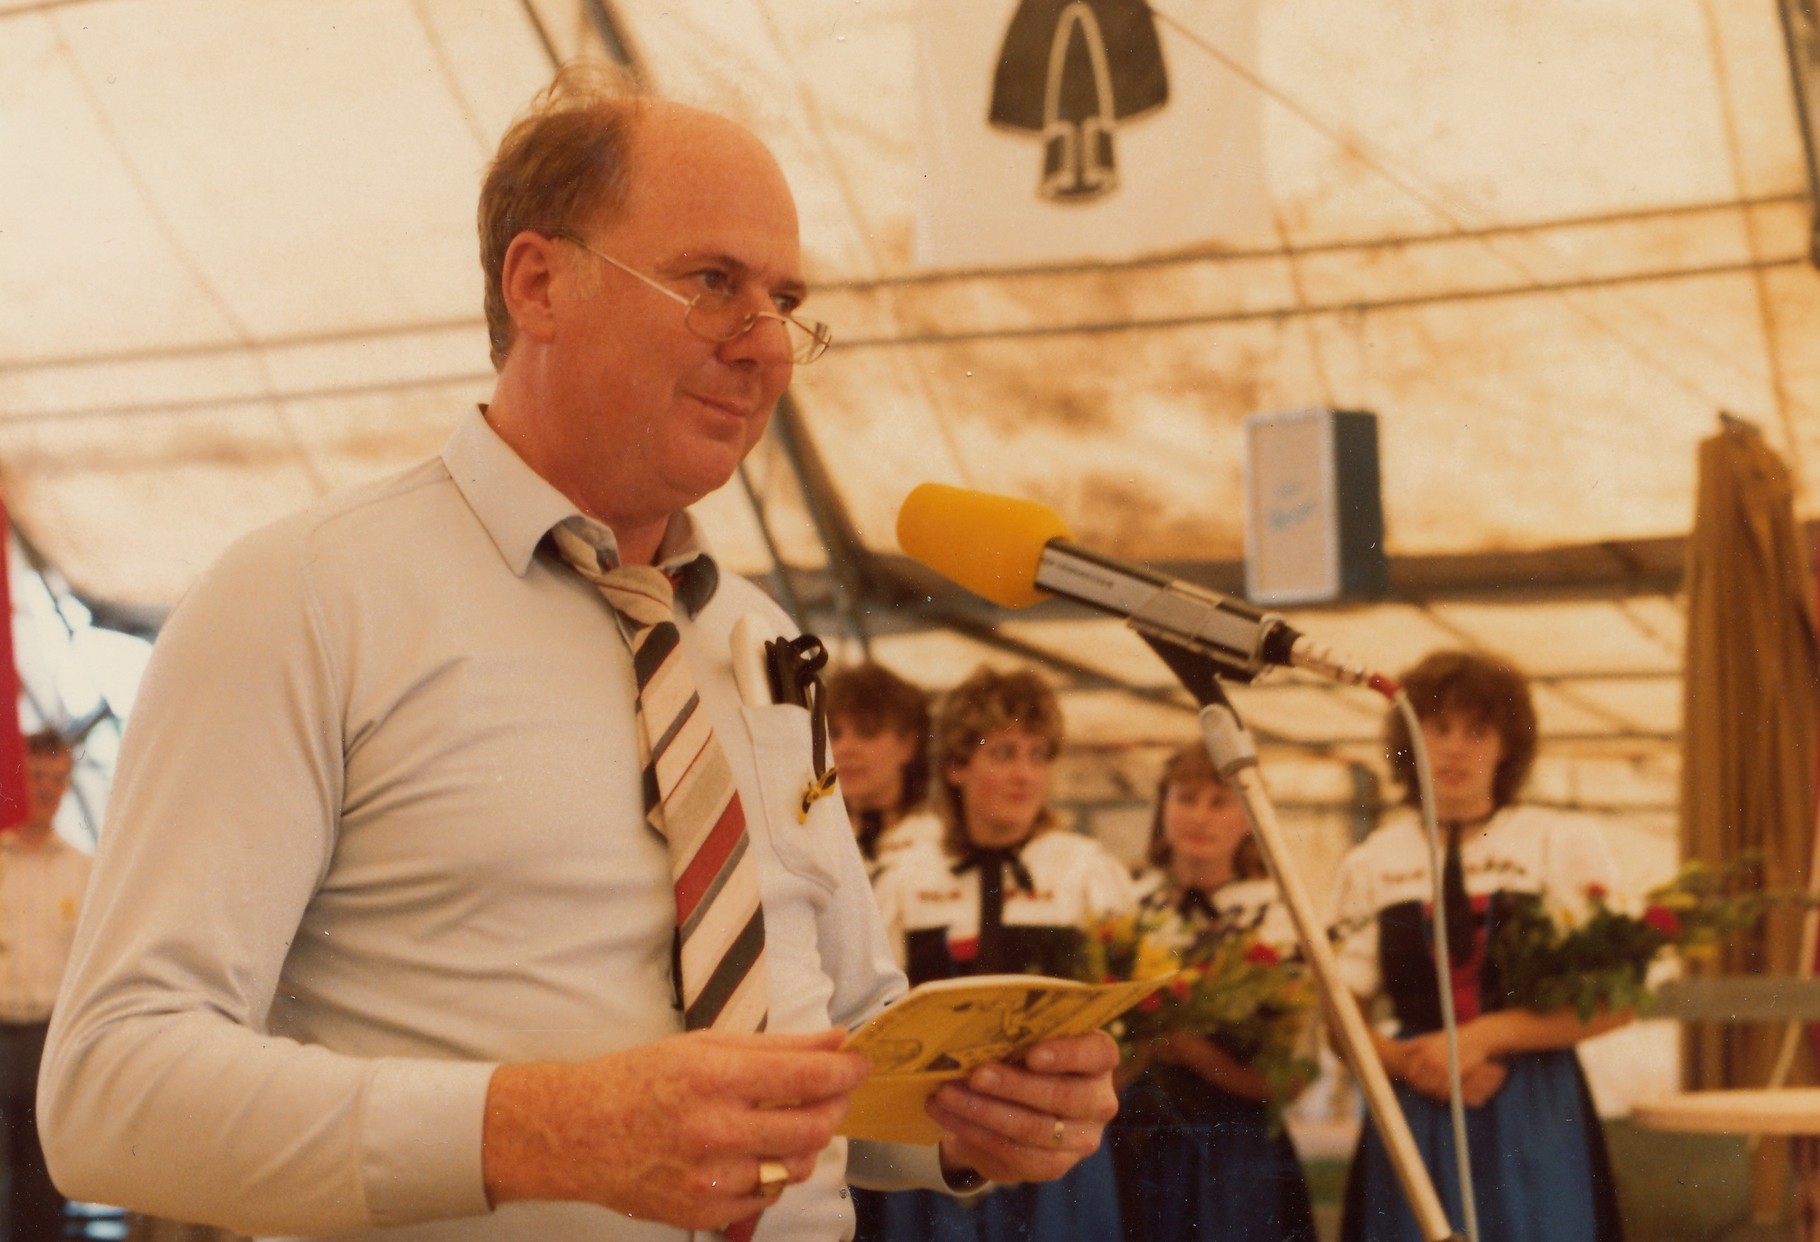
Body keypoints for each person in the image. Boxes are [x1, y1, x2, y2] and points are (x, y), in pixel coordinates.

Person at [39, 64, 1119, 1242]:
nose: (765, 346)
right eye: (713, 283)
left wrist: (965, 1112)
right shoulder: (302, 598)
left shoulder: (755, 636)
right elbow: (107, 1090)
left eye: (784, 299)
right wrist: (533, 1133)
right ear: (538, 281)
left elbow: (835, 1043)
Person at [1327, 650, 1630, 1242]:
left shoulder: (1558, 842)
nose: (1455, 747)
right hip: (1416, 1105)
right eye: (1438, 728)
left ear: (1508, 745)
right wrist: (1414, 1064)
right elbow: (1341, 1020)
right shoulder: (1372, 862)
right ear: (1408, 742)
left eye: (1477, 730)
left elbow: (1618, 1002)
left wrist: (1480, 1039)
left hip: (1534, 1108)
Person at [868, 665, 1134, 1241]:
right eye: (1005, 752)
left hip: (1052, 1144)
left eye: (1040, 755)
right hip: (937, 1143)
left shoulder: (1086, 870)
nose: (1025, 775)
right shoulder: (905, 877)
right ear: (956, 766)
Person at [1107, 742, 1316, 1242]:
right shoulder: (1126, 903)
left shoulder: (1280, 915)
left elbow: (1291, 1075)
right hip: (1135, 1135)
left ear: (1249, 817)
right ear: (1162, 810)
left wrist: (1190, 1052)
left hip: (1237, 1150)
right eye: (1185, 798)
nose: (1199, 817)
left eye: (1219, 802)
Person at [0, 730, 90, 1242]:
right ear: (16, 777)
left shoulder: (84, 871)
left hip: (50, 1045)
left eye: (58, 779)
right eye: (37, 775)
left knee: (40, 1189)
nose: (48, 789)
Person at [826, 662, 940, 876]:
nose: (844, 748)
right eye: (834, 734)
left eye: (866, 732)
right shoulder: (811, 840)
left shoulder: (941, 840)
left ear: (908, 745)